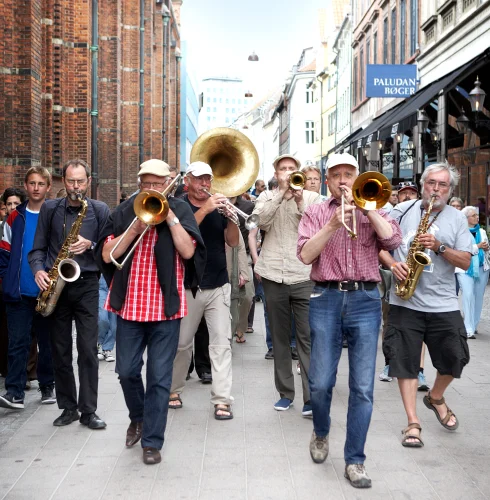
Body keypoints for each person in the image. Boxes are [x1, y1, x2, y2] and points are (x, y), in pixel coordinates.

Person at [297, 152, 401, 489]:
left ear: (358, 177)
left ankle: (355, 460)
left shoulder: (376, 204)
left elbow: (394, 241)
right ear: (327, 180)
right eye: (336, 174)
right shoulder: (315, 211)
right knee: (321, 382)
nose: (343, 180)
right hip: (325, 297)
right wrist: (332, 225)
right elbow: (304, 255)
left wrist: (369, 212)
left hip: (366, 299)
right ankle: (321, 432)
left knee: (363, 388)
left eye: (349, 174)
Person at [96, 159, 205, 465]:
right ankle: (138, 418)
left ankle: (152, 442)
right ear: (140, 183)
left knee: (159, 378)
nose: (155, 188)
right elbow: (108, 254)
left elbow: (188, 251)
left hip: (166, 309)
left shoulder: (180, 209)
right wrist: (135, 228)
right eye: (149, 184)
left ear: (169, 183)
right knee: (127, 371)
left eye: (160, 184)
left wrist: (168, 217)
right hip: (130, 307)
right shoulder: (123, 211)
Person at [382, 162, 472, 449]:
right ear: (422, 184)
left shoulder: (456, 219)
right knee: (404, 363)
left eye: (442, 185)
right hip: (404, 301)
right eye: (431, 183)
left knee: (455, 359)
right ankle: (412, 422)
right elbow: (380, 246)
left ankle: (435, 396)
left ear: (450, 190)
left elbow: (467, 261)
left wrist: (439, 247)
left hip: (443, 302)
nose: (436, 189)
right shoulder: (400, 212)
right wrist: (393, 264)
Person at [29, 159, 110, 429]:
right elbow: (37, 249)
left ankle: (88, 411)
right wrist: (39, 270)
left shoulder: (99, 209)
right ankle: (68, 408)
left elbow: (109, 252)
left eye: (80, 181)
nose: (76, 187)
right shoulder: (51, 209)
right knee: (60, 350)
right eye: (71, 181)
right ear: (64, 181)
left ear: (89, 181)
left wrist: (92, 244)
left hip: (87, 283)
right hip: (56, 285)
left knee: (87, 351)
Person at [169, 161, 239, 420]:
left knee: (221, 344)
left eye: (208, 179)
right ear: (187, 181)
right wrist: (206, 209)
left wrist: (231, 219)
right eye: (199, 179)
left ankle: (222, 400)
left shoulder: (219, 206)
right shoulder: (178, 205)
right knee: (182, 344)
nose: (205, 185)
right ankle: (173, 390)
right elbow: (184, 237)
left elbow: (232, 242)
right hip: (189, 285)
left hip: (218, 284)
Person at [252, 154, 320, 415]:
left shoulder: (312, 197)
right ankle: (285, 393)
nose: (289, 173)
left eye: (293, 169)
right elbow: (260, 223)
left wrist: (299, 199)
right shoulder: (266, 197)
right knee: (280, 338)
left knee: (306, 338)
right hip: (272, 273)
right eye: (284, 169)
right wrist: (281, 195)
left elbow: (314, 227)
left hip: (303, 273)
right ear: (276, 172)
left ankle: (311, 397)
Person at [0, 167, 55, 410]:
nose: (36, 188)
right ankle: (14, 392)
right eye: (32, 183)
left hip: (48, 292)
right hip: (19, 292)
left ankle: (47, 386)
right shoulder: (15, 217)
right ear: (25, 185)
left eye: (41, 183)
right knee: (17, 344)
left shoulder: (55, 214)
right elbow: (3, 253)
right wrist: (7, 281)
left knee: (48, 343)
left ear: (48, 187)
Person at [379, 179, 429, 393]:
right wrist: (391, 265)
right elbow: (379, 245)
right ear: (397, 196)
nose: (408, 196)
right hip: (392, 274)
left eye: (411, 193)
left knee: (421, 327)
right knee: (390, 322)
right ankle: (390, 362)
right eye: (403, 193)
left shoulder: (426, 215)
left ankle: (419, 369)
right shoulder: (393, 214)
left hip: (422, 278)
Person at [456, 206, 489, 339]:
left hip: (482, 268)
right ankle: (467, 328)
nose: (477, 217)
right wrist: (478, 246)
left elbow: (486, 247)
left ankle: (474, 325)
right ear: (466, 218)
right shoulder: (461, 232)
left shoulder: (482, 231)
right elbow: (460, 249)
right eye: (474, 215)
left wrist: (486, 247)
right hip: (465, 268)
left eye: (477, 215)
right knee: (468, 295)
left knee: (478, 297)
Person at [97, 276, 116, 362]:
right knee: (102, 319)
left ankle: (107, 349)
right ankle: (99, 343)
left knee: (114, 324)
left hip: (117, 286)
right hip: (102, 285)